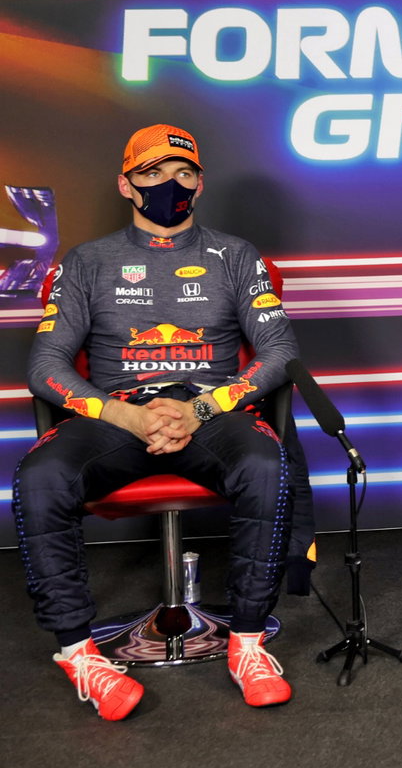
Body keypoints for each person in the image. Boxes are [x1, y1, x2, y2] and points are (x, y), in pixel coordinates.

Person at [15, 124, 303, 718]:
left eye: (183, 173)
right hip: (116, 412)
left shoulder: (236, 255)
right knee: (40, 476)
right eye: (151, 174)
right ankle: (79, 654)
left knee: (264, 463)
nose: (169, 184)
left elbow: (278, 352)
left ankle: (246, 642)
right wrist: (124, 412)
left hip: (209, 410)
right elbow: (44, 365)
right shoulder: (88, 262)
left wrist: (199, 409)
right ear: (126, 184)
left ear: (199, 185)